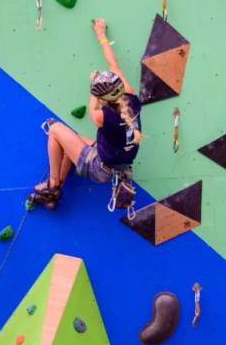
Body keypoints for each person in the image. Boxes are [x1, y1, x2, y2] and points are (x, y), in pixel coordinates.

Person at [29, 18, 142, 210]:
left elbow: (93, 109)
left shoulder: (101, 116)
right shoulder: (131, 96)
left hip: (101, 168)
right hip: (120, 164)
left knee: (55, 130)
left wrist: (93, 84)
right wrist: (101, 35)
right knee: (72, 140)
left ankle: (51, 186)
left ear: (103, 99)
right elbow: (113, 65)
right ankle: (55, 192)